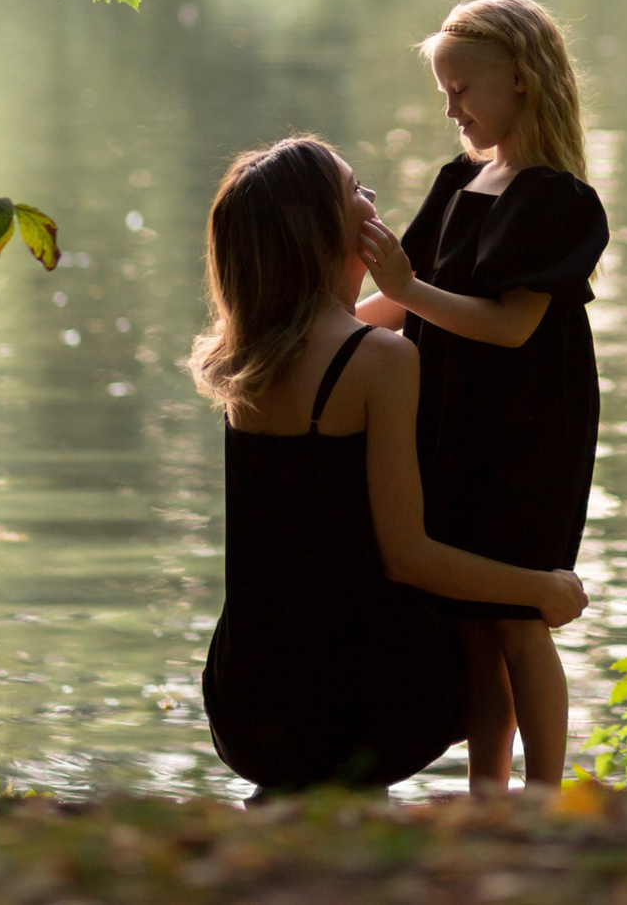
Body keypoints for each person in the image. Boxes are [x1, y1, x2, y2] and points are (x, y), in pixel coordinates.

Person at [192, 135, 588, 798]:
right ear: (320, 229)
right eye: (354, 190)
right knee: (485, 622)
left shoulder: (241, 356)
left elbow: (379, 310)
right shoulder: (379, 360)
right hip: (364, 714)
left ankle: (293, 792)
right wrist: (537, 587)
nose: (372, 199)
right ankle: (503, 807)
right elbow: (408, 555)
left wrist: (411, 288)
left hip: (244, 711)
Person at [358, 0, 609, 795]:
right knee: (467, 620)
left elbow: (509, 326)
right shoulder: (458, 180)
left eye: (463, 88)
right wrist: (307, 332)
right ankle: (487, 796)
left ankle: (542, 798)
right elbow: (399, 300)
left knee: (517, 616)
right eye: (444, 90)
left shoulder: (559, 200)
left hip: (528, 432)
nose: (451, 107)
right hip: (448, 422)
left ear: (523, 80)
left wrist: (404, 284)